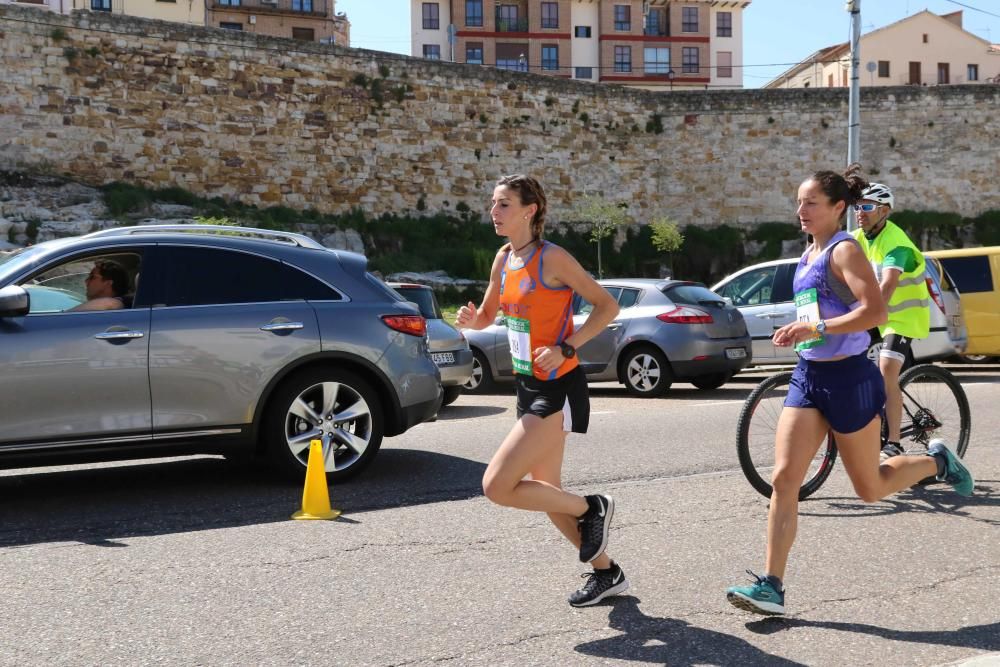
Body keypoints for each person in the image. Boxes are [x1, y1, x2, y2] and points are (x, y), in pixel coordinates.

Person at [725, 165, 974, 617]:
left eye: (811, 203)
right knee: (784, 480)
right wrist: (799, 331)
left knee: (870, 487)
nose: (801, 210)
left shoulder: (843, 251)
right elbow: (817, 311)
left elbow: (874, 310)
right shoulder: (808, 251)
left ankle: (937, 460)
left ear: (839, 208)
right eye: (799, 201)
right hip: (809, 376)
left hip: (848, 379)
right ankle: (772, 586)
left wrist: (816, 325)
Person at [455, 174, 626, 608]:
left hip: (558, 386)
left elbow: (608, 306)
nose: (494, 212)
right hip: (526, 384)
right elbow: (492, 313)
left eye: (504, 204)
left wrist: (568, 345)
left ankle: (593, 508)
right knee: (547, 492)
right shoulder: (503, 259)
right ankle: (606, 572)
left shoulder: (553, 259)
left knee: (497, 486)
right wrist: (476, 322)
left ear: (530, 211)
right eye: (493, 204)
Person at [851, 183, 931, 460]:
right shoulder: (858, 238)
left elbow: (886, 287)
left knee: (886, 369)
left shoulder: (897, 244)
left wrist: (859, 318)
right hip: (880, 314)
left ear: (884, 210)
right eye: (857, 206)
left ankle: (894, 441)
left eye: (867, 207)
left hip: (905, 316)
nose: (860, 212)